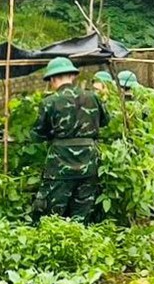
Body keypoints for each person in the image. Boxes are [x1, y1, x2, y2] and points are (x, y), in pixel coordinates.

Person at [32, 57, 108, 222]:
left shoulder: (49, 102)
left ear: (52, 79)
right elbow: (105, 121)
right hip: (89, 161)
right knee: (82, 213)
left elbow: (38, 134)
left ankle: (53, 243)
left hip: (60, 163)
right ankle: (81, 242)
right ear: (72, 76)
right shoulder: (93, 97)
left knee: (51, 214)